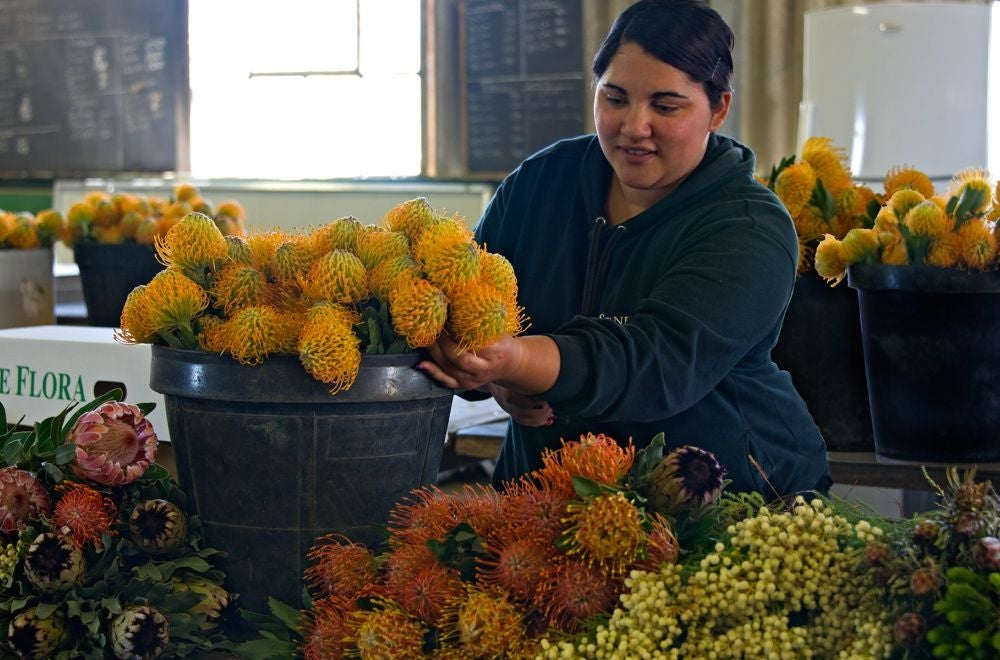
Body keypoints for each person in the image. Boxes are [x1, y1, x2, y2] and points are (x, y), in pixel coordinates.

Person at [418, 0, 831, 497]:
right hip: (545, 500)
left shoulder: (749, 227)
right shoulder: (541, 183)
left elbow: (653, 364)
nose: (634, 127)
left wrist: (516, 361)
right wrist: (495, 381)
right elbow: (468, 302)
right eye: (615, 98)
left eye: (665, 106)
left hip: (722, 506)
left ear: (718, 108)